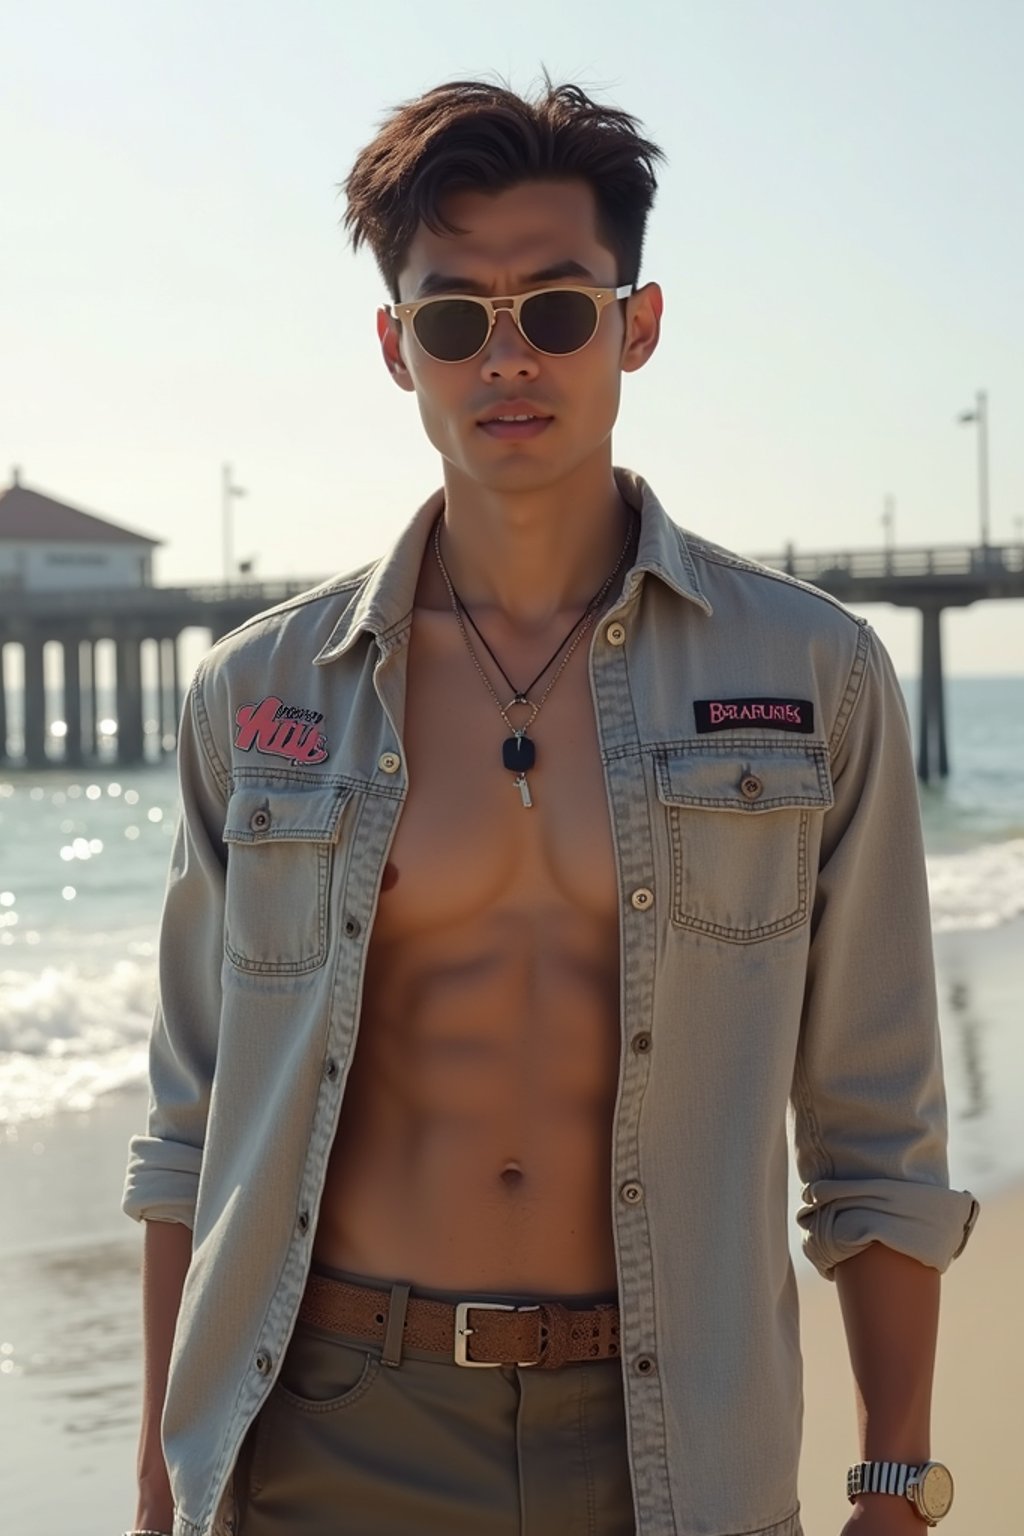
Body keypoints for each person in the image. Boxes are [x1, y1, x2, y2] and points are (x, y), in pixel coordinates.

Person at [122, 71, 978, 1536]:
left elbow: (874, 1123)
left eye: (559, 309)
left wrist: (894, 1482)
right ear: (400, 351)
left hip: (671, 1441)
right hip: (328, 1426)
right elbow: (193, 1134)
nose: (507, 356)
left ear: (637, 324)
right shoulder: (264, 698)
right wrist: (161, 1494)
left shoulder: (814, 674)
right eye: (457, 317)